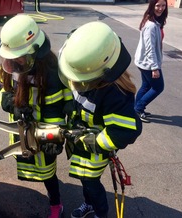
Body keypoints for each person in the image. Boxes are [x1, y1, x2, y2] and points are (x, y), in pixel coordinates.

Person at [58, 21, 142, 218]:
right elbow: (80, 98)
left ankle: (101, 213)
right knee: (83, 179)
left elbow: (127, 129)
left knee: (91, 182)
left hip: (94, 150)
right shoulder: (85, 74)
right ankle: (89, 204)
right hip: (80, 143)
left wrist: (94, 142)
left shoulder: (114, 93)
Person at [0, 14, 73, 218]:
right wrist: (10, 103)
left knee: (48, 171)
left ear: (35, 52)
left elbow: (57, 108)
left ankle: (56, 204)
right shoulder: (10, 65)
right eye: (11, 57)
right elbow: (0, 88)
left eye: (19, 57)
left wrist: (54, 136)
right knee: (28, 160)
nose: (14, 62)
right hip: (23, 131)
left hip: (43, 132)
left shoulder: (53, 72)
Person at [134, 0, 168, 123]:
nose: (161, 8)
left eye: (163, 5)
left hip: (143, 61)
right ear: (152, 6)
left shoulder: (155, 22)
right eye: (158, 5)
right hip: (148, 63)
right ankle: (138, 108)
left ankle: (136, 108)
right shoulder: (151, 25)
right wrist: (154, 67)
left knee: (146, 85)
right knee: (158, 87)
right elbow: (150, 48)